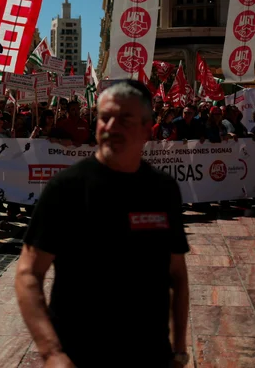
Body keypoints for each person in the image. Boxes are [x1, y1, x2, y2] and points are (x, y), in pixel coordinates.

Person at [15, 81, 190, 367]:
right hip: (80, 356)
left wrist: (179, 350)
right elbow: (28, 274)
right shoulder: (66, 188)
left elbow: (178, 275)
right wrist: (52, 352)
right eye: (104, 117)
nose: (111, 126)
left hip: (150, 355)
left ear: (148, 128)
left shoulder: (163, 189)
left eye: (124, 119)